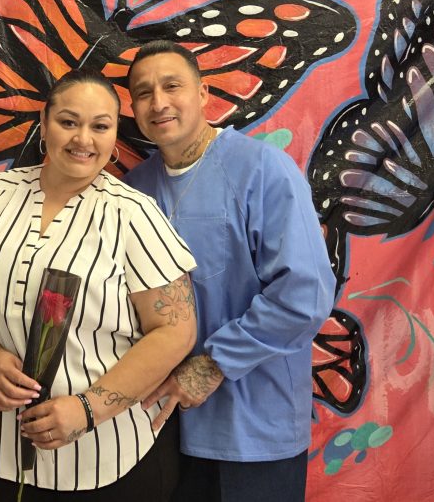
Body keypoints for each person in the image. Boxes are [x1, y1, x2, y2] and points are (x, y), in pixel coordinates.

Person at [0, 68, 198, 501]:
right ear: (44, 123)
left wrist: (87, 409)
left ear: (115, 135)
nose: (83, 140)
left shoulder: (133, 214)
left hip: (109, 456)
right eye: (69, 122)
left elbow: (176, 330)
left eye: (100, 126)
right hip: (4, 446)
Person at [123, 41, 335, 502]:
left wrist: (213, 364)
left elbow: (305, 292)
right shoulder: (133, 189)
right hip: (158, 431)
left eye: (172, 86)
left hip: (252, 431)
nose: (158, 102)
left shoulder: (262, 169)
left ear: (202, 94)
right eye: (143, 93)